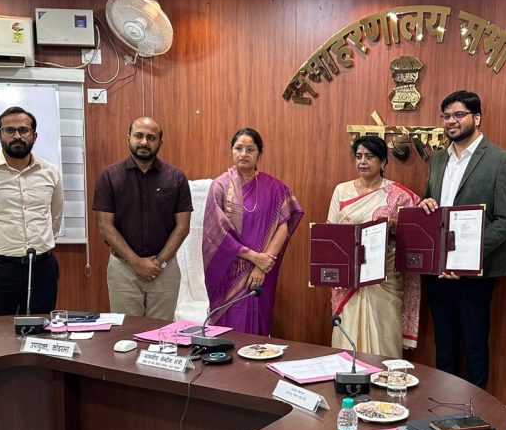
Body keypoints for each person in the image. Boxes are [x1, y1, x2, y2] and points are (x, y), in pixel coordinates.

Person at [418, 90, 506, 388]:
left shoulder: (500, 160)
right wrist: (425, 204)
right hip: (438, 270)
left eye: (459, 115)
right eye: (446, 116)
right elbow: (431, 206)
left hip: (476, 272)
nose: (451, 121)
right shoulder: (438, 159)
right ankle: (443, 405)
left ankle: (475, 409)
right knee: (444, 344)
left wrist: (465, 259)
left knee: (475, 344)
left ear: (477, 118)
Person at [202, 128, 303, 335]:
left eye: (250, 149)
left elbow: (283, 225)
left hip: (262, 272)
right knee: (229, 330)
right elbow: (218, 233)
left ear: (259, 154)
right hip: (230, 272)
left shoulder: (275, 188)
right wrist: (253, 257)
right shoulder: (220, 186)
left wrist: (262, 265)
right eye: (238, 148)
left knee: (257, 333)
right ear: (231, 151)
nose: (243, 154)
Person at [328, 135, 421, 359]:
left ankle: (382, 377)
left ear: (383, 162)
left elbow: (416, 234)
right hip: (349, 279)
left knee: (383, 336)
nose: (362, 162)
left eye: (369, 157)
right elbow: (331, 232)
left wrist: (393, 226)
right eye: (358, 156)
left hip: (384, 278)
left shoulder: (399, 195)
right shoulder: (341, 191)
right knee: (348, 333)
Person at [0, 106, 63, 317]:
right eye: (9, 130)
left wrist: (41, 245)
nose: (17, 136)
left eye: (23, 130)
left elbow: (55, 217)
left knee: (41, 328)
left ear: (34, 136)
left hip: (42, 268)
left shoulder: (50, 173)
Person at [93, 117, 192, 320]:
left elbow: (182, 227)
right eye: (139, 136)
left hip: (164, 270)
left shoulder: (176, 178)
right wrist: (136, 262)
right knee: (126, 332)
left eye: (151, 137)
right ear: (128, 138)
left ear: (160, 143)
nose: (144, 142)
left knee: (161, 333)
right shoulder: (109, 176)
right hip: (123, 269)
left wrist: (159, 263)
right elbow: (105, 227)